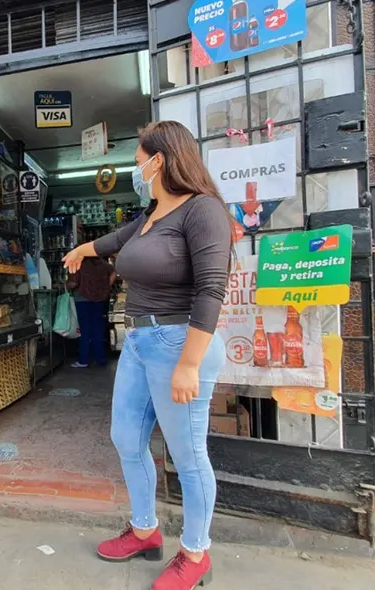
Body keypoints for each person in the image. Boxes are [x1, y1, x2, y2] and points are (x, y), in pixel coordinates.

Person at [62, 121, 232, 590]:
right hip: (138, 344)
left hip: (180, 342)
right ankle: (144, 530)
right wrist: (81, 249)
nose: (136, 170)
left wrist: (190, 364)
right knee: (125, 438)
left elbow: (211, 289)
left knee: (188, 455)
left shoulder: (204, 211)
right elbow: (114, 243)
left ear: (160, 160)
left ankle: (195, 553)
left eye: (138, 162)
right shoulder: (152, 215)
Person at [65, 256, 116, 368]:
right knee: (98, 329)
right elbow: (113, 272)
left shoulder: (77, 264)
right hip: (99, 299)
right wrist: (106, 286)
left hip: (82, 299)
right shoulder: (101, 263)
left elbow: (73, 283)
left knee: (85, 330)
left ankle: (83, 360)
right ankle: (101, 359)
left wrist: (65, 284)